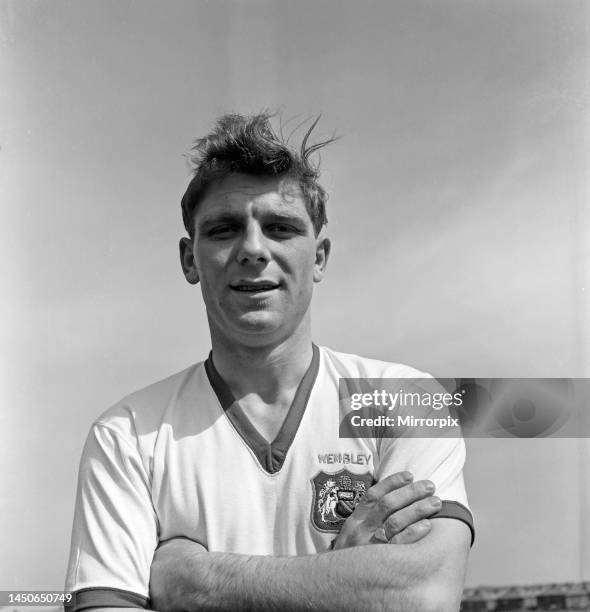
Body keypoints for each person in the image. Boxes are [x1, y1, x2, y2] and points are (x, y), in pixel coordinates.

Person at [65, 112, 474, 611]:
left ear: (319, 256)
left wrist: (198, 585)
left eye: (280, 228)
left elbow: (422, 596)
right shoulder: (128, 434)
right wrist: (340, 580)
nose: (253, 249)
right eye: (223, 229)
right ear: (190, 260)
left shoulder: (404, 401)